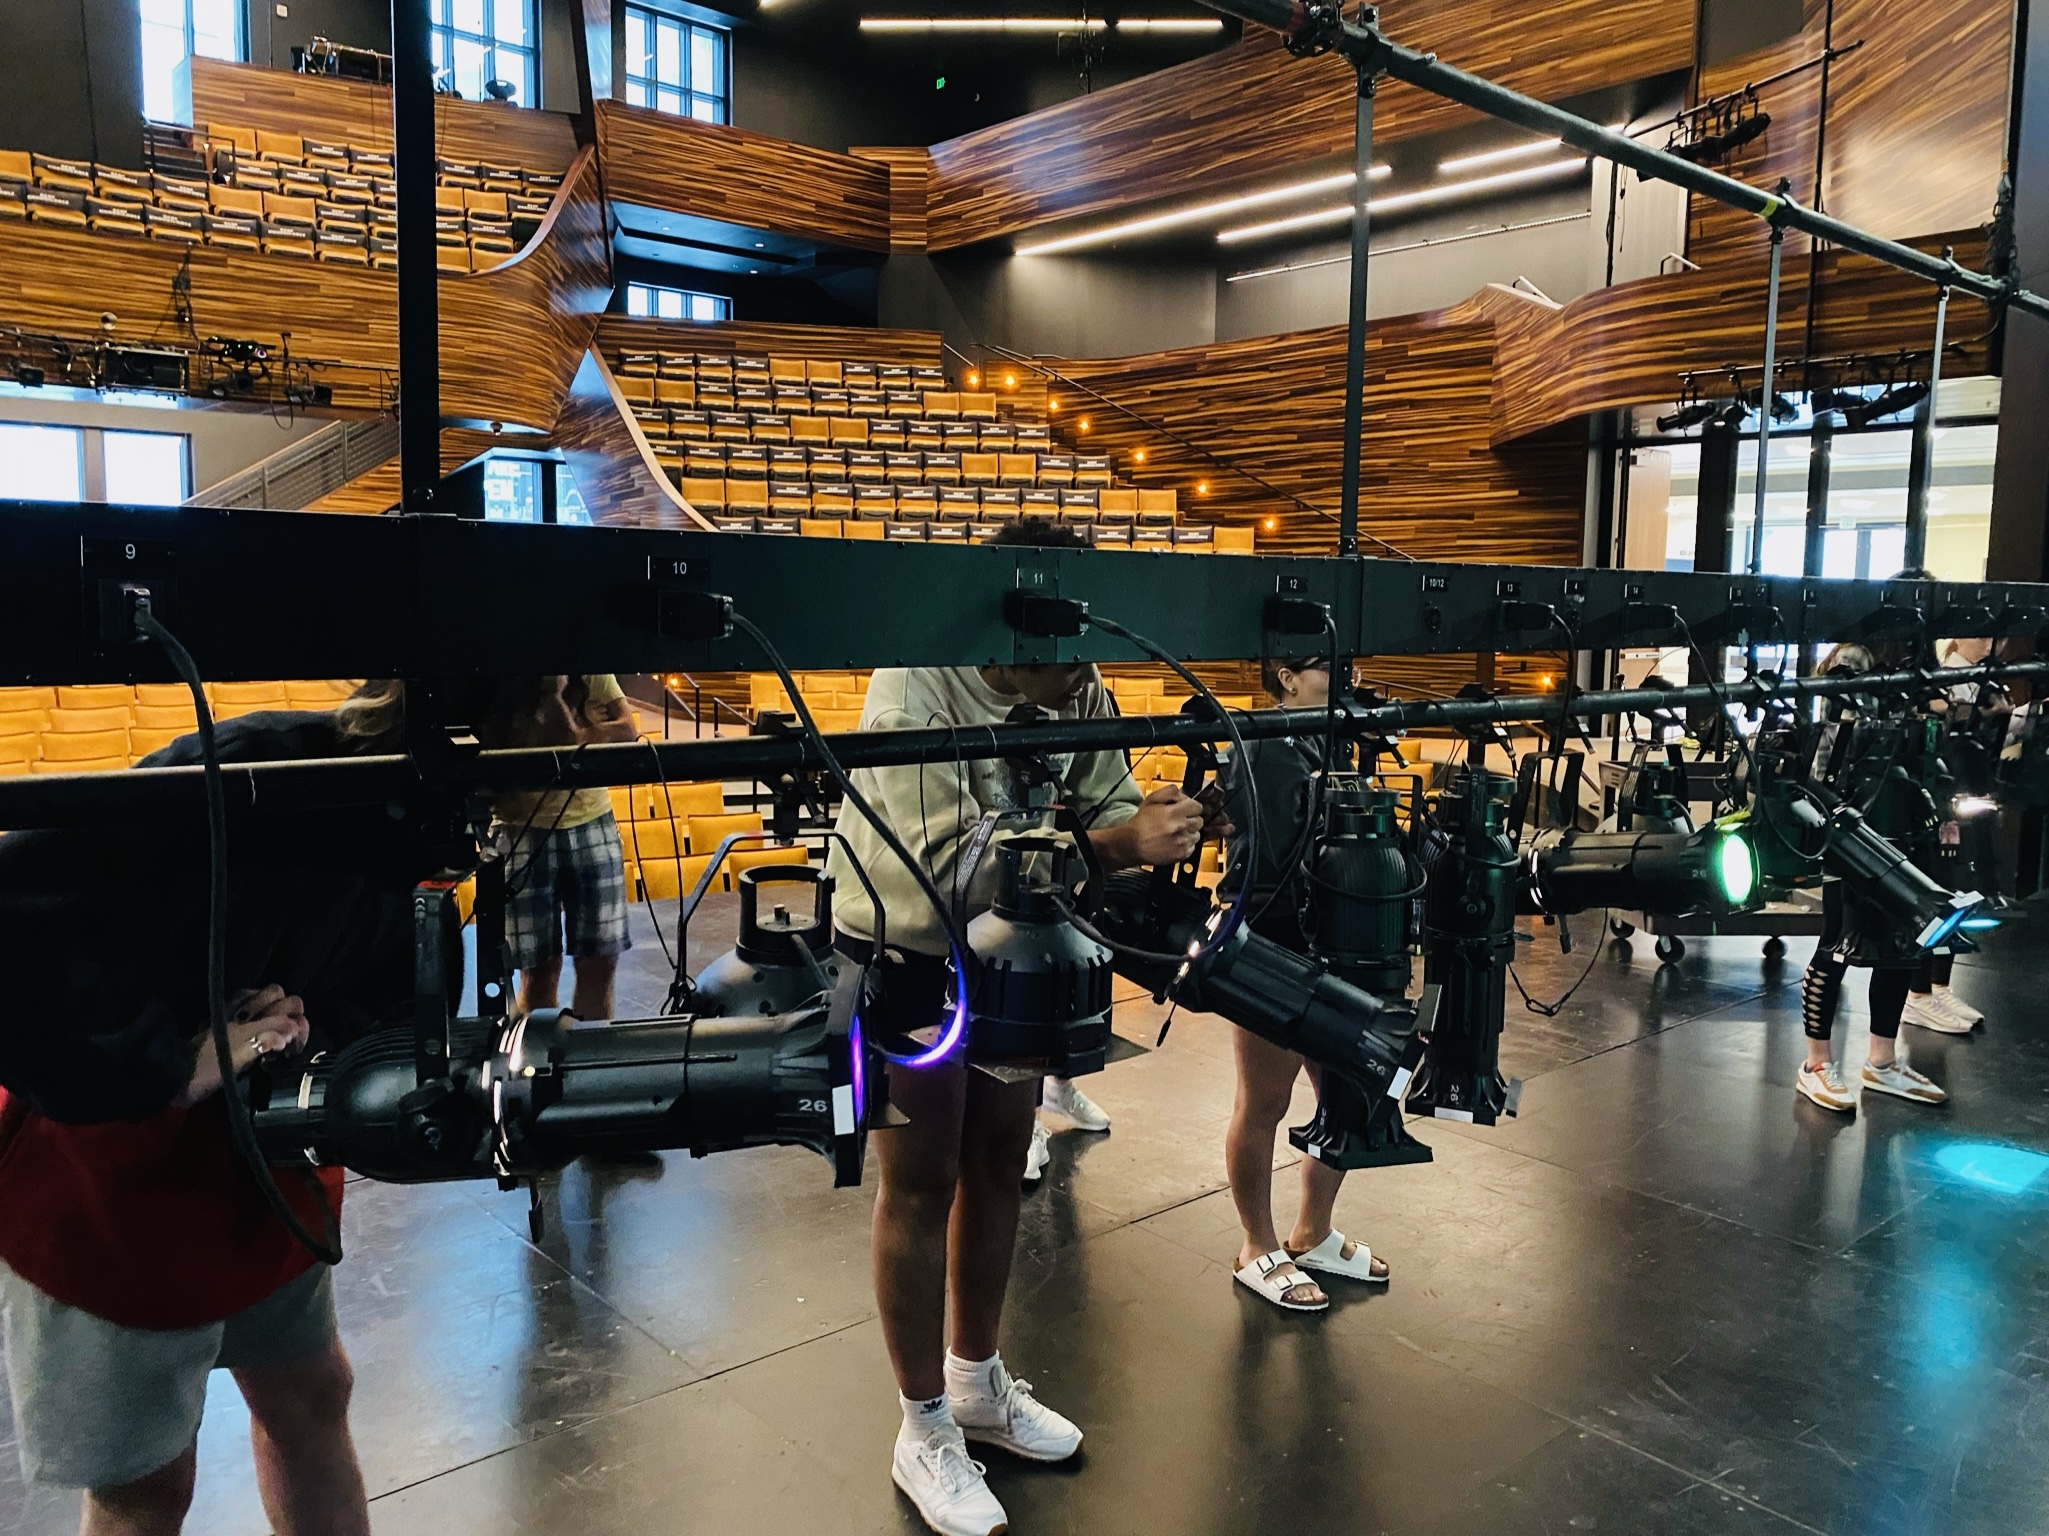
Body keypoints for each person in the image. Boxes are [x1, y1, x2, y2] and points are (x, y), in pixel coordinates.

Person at [825, 522, 1222, 1536]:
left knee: (1000, 1158)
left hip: (1013, 948)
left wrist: (1163, 822)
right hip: (909, 945)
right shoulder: (917, 680)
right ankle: (922, 1426)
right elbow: (950, 866)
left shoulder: (1073, 679)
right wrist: (1115, 844)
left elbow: (1108, 794)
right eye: (1065, 661)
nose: (1084, 678)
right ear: (1011, 635)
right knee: (922, 1181)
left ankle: (974, 1384)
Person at [0, 680, 458, 1536]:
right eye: (564, 699)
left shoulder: (423, 810)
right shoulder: (259, 769)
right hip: (111, 1179)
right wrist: (167, 1064)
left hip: (263, 1165)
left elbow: (379, 979)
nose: (593, 726)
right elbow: (16, 924)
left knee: (311, 1395)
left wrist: (310, 1025)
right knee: (147, 1483)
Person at [1217, 653, 1391, 1312]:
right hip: (1273, 935)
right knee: (1265, 1100)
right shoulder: (1264, 743)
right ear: (1286, 678)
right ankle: (1256, 1246)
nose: (1345, 676)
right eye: (1326, 665)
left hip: (1341, 933)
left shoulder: (1337, 737)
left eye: (1349, 665)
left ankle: (1312, 1232)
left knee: (1346, 1094)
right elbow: (1269, 853)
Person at [1794, 640, 1949, 1112]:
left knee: (1900, 947)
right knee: (1836, 944)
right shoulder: (1839, 694)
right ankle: (1816, 1064)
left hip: (1896, 833)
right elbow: (1820, 770)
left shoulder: (1900, 694)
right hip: (1847, 838)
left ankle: (1882, 1062)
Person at [492, 673, 640, 1020]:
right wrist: (587, 730)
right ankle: (541, 1053)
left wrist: (576, 735)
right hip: (521, 828)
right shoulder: (505, 670)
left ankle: (590, 1052)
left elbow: (628, 732)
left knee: (600, 964)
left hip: (592, 821)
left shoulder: (589, 667)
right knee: (538, 972)